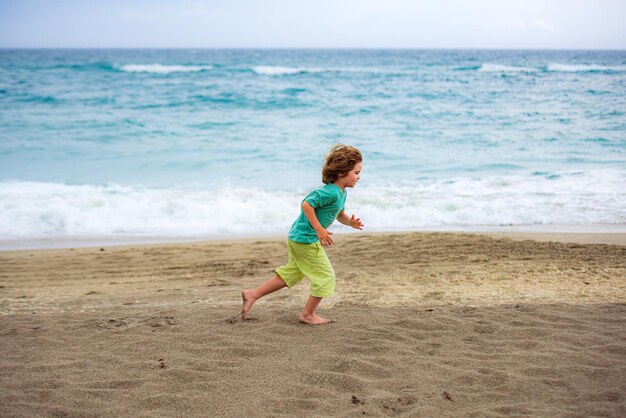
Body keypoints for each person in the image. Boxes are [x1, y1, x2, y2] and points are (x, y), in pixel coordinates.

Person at [241, 144, 364, 325]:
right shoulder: (329, 191)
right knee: (325, 276)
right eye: (356, 172)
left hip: (299, 237)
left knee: (292, 273)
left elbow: (339, 214)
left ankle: (252, 294)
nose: (359, 177)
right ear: (341, 173)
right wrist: (318, 229)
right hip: (305, 239)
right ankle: (307, 315)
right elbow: (307, 204)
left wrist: (350, 223)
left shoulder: (341, 193)